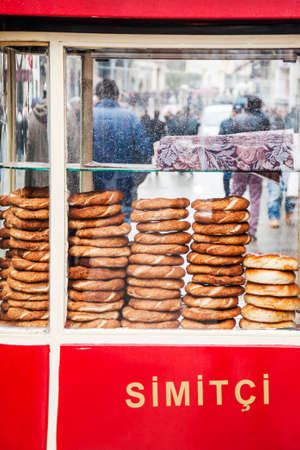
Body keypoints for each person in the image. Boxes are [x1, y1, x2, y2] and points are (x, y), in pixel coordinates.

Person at [93, 79, 153, 221]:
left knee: (95, 223)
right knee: (121, 228)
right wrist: (136, 180)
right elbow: (145, 152)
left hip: (94, 181)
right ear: (117, 95)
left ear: (97, 95)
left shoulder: (88, 116)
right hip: (124, 182)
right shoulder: (131, 117)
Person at [230, 95, 270, 240]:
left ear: (247, 105)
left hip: (240, 162)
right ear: (259, 106)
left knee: (236, 194)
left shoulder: (237, 119)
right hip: (257, 163)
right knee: (255, 197)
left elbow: (232, 140)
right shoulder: (264, 119)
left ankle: (232, 225)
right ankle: (252, 231)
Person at [267, 105, 295, 228]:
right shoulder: (271, 121)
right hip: (274, 163)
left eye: (284, 108)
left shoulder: (293, 120)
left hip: (290, 162)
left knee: (291, 193)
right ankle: (274, 216)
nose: (282, 111)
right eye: (280, 108)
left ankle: (289, 213)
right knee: (275, 193)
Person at [218, 104, 242, 196]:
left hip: (239, 153)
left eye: (238, 112)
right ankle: (227, 193)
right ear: (232, 112)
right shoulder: (225, 123)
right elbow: (220, 137)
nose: (236, 114)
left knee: (238, 176)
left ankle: (235, 194)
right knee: (227, 175)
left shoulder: (242, 123)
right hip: (228, 153)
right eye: (235, 112)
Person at [25, 98, 48, 187]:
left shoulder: (32, 118)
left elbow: (28, 149)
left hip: (36, 174)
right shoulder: (61, 116)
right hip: (58, 174)